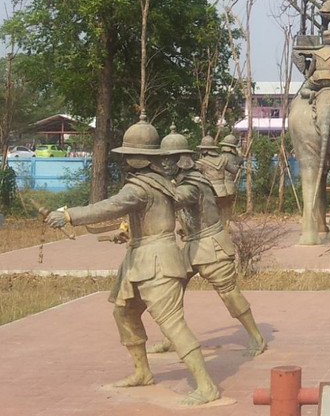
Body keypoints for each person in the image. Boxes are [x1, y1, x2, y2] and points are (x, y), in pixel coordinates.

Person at [45, 115, 219, 407]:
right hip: (139, 259)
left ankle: (206, 386)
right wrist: (122, 233)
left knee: (172, 325)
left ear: (135, 158)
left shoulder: (139, 187)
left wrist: (68, 215)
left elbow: (109, 207)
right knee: (124, 312)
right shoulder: (156, 182)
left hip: (157, 261)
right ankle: (142, 371)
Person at [151, 128, 267, 357]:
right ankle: (171, 337)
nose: (163, 164)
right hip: (192, 246)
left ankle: (256, 336)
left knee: (229, 293)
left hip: (211, 245)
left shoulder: (193, 183)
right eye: (162, 159)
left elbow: (177, 199)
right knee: (172, 290)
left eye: (168, 159)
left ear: (180, 160)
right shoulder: (180, 180)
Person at [195, 132, 241, 226]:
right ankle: (225, 233)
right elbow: (234, 170)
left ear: (204, 150)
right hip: (223, 192)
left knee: (209, 217)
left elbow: (193, 175)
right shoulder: (223, 159)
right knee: (223, 215)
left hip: (210, 193)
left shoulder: (201, 163)